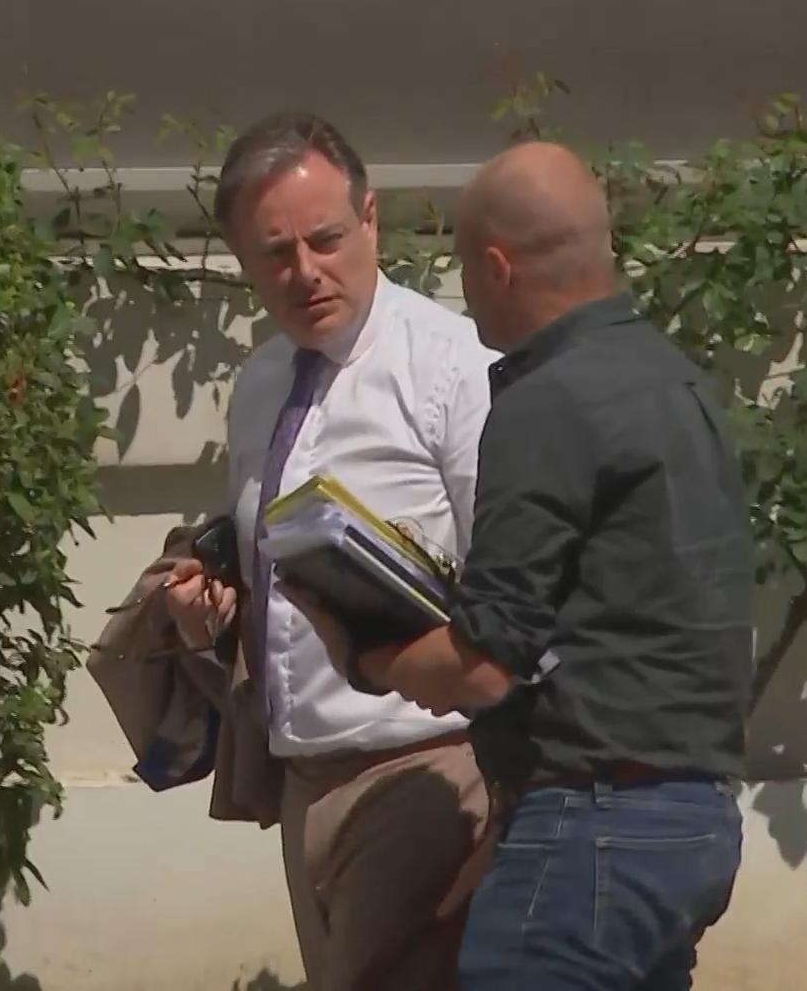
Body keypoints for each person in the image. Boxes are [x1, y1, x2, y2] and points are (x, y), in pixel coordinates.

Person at [289, 140, 756, 990]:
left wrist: (362, 653)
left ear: (497, 268)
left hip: (593, 828)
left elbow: (486, 664)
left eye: (464, 270)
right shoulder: (677, 382)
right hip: (693, 820)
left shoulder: (549, 402)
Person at [160, 111, 502, 991]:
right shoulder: (261, 383)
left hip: (426, 773)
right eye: (276, 253)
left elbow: (515, 593)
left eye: (325, 239)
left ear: (371, 220)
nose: (306, 271)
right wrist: (215, 609)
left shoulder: (452, 368)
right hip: (302, 782)